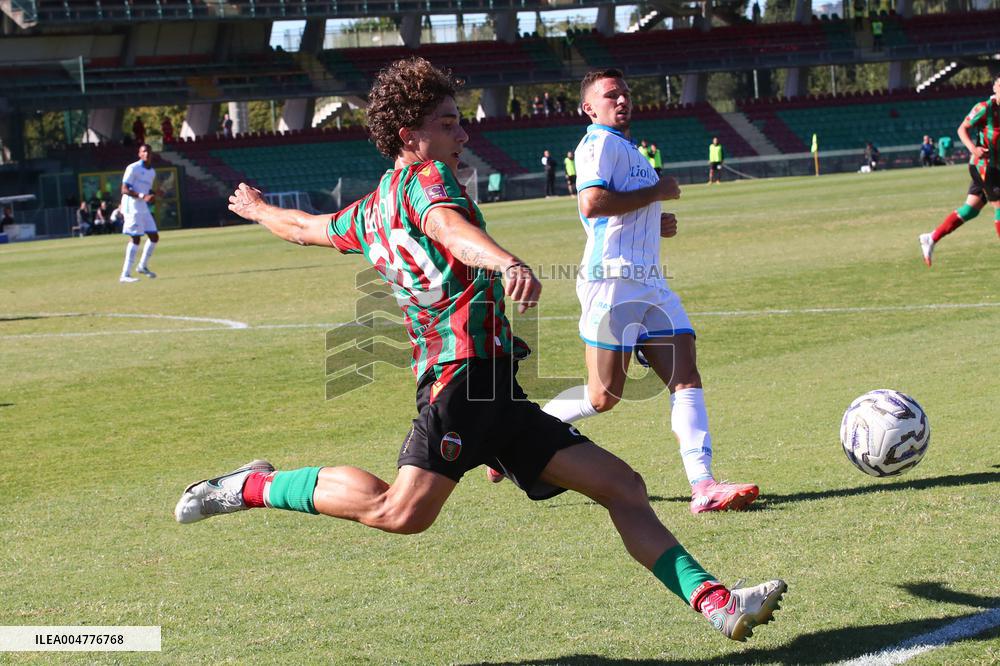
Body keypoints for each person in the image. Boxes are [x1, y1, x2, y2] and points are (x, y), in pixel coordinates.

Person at [173, 57, 786, 643]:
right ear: (410, 136)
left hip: (495, 388)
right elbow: (448, 228)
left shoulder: (368, 211)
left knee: (622, 486)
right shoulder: (424, 181)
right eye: (447, 123)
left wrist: (257, 211)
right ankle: (251, 486)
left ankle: (715, 603)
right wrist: (505, 259)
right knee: (400, 511)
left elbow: (306, 227)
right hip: (459, 380)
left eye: (460, 120)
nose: (462, 133)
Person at [537, 67, 760, 516]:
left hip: (651, 282)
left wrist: (654, 222)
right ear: (589, 107)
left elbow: (617, 213)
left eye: (625, 93)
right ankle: (523, 432)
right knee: (604, 397)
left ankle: (704, 485)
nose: (622, 100)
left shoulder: (626, 148)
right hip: (613, 281)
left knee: (686, 375)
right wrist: (658, 190)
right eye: (610, 95)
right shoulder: (597, 143)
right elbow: (592, 203)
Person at [920, 75, 1000, 267]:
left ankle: (931, 238)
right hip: (984, 166)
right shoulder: (984, 108)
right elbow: (962, 129)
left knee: (971, 210)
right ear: (996, 88)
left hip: (995, 166)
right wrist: (973, 149)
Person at [119, 143, 160, 282]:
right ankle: (125, 274)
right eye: (143, 151)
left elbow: (146, 191)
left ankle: (142, 266)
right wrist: (143, 196)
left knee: (154, 236)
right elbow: (124, 189)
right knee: (136, 238)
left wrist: (153, 195)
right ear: (139, 154)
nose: (146, 154)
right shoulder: (133, 168)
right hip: (132, 206)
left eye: (148, 151)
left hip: (142, 207)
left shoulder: (152, 172)